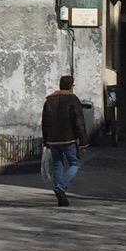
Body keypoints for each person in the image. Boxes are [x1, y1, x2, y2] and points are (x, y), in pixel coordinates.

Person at [40, 73, 88, 208]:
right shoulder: (73, 99)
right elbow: (79, 122)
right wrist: (83, 142)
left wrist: (46, 139)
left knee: (57, 163)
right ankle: (61, 187)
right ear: (71, 85)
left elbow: (44, 121)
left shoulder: (49, 100)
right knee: (75, 163)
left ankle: (60, 196)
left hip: (53, 139)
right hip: (68, 138)